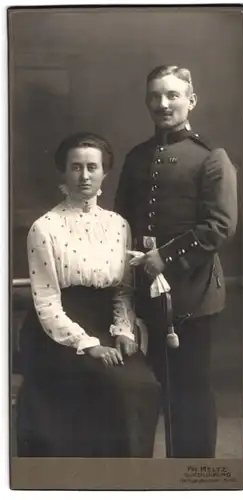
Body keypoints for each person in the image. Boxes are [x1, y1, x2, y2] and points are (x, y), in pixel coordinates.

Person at [114, 65, 238, 458]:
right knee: (151, 389)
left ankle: (193, 476)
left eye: (172, 95)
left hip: (193, 293)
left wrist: (163, 256)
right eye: (155, 96)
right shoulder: (137, 157)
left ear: (191, 101)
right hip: (143, 293)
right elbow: (122, 219)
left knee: (190, 390)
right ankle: (154, 478)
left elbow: (220, 226)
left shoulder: (211, 158)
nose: (163, 104)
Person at [16, 131, 161, 458]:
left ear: (104, 173)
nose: (84, 176)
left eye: (92, 167)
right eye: (76, 167)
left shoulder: (118, 225)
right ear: (64, 172)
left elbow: (122, 290)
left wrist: (123, 330)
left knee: (142, 386)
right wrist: (89, 345)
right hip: (57, 332)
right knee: (109, 387)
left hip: (106, 324)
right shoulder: (45, 227)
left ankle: (129, 480)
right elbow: (47, 302)